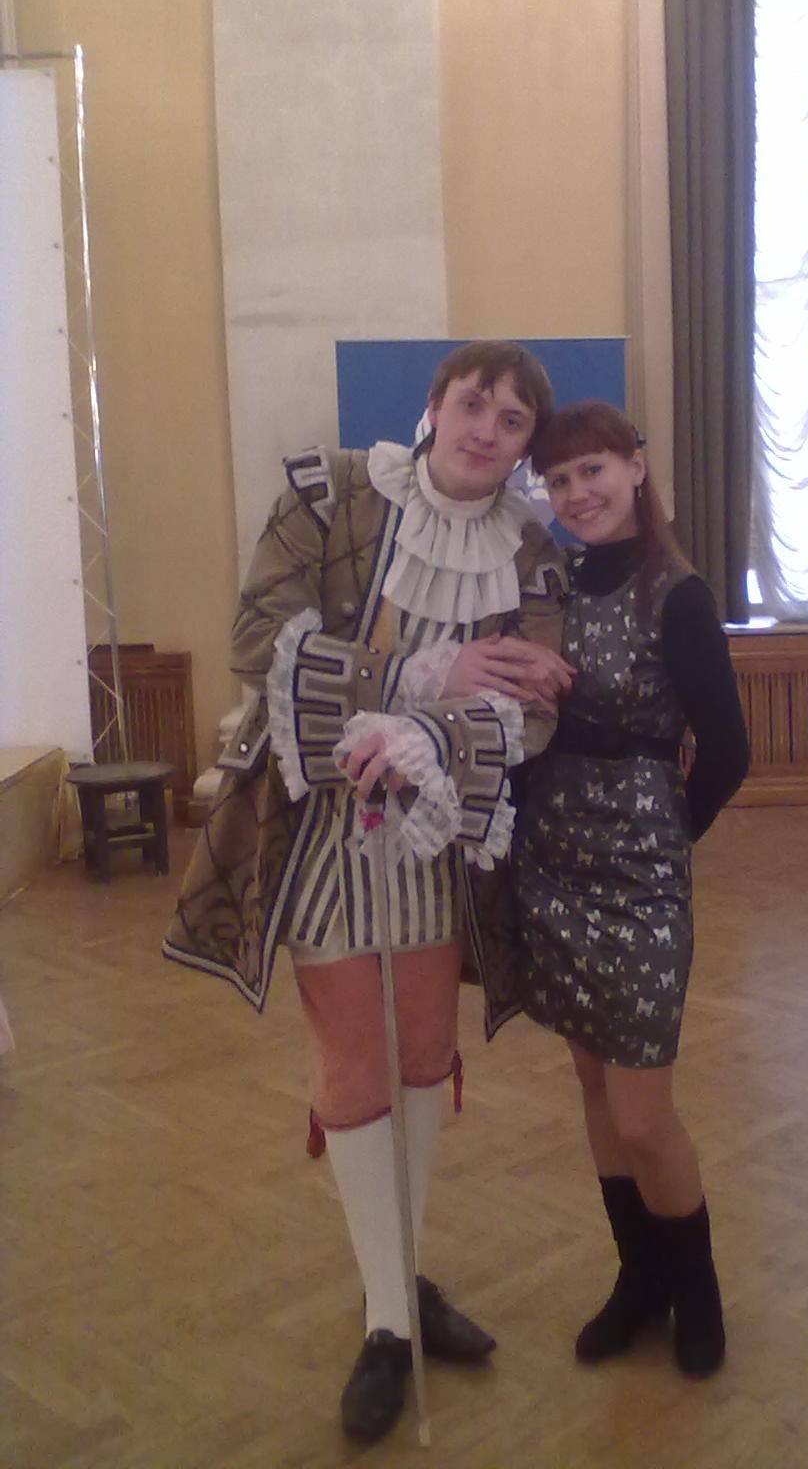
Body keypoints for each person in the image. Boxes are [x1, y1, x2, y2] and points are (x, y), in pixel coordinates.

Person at [165, 341, 571, 1444]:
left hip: (437, 826)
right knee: (354, 1061)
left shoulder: (531, 550)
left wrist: (430, 734)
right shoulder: (331, 494)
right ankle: (390, 1318)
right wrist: (422, 675)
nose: (487, 429)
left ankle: (398, 1278)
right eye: (474, 403)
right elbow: (258, 641)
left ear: (525, 446)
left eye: (513, 420)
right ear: (434, 405)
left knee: (427, 1053)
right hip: (322, 818)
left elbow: (532, 707)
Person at [512, 400, 750, 1380]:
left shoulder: (677, 594)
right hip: (553, 862)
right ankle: (639, 1281)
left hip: (640, 877)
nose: (579, 493)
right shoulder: (553, 585)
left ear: (637, 467)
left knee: (645, 1113)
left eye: (595, 469)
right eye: (560, 479)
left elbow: (728, 751)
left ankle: (699, 1294)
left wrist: (666, 838)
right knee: (595, 1087)